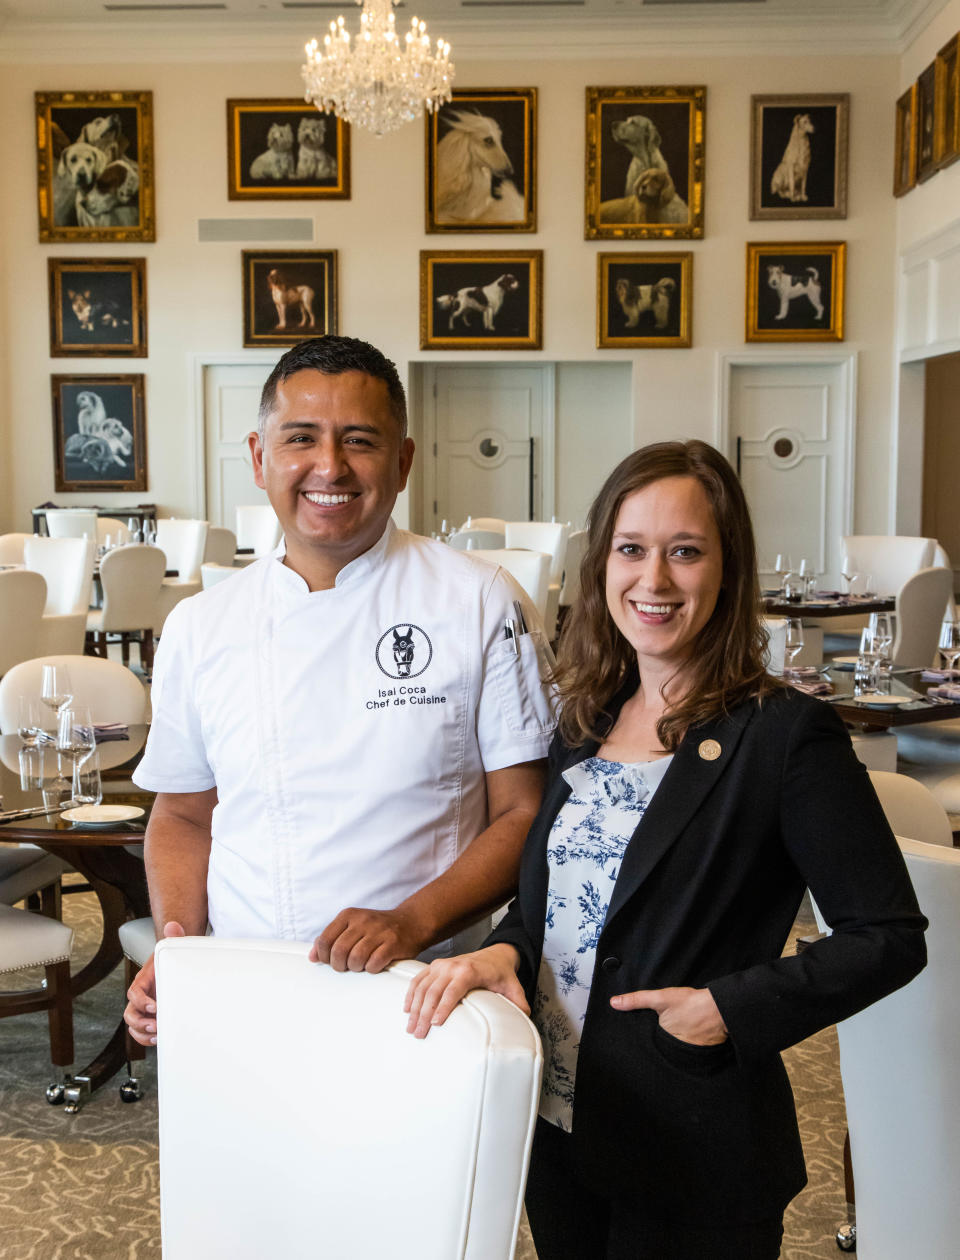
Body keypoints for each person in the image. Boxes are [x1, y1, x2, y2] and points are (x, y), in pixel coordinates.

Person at [403, 440, 927, 1260]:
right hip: (560, 1121)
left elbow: (889, 938)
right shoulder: (583, 724)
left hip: (694, 1142)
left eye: (685, 552)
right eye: (632, 549)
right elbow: (555, 906)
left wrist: (725, 1011)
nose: (654, 581)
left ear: (728, 569)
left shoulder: (784, 736)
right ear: (601, 564)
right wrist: (504, 952)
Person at [124, 335, 555, 1048]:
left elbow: (522, 812)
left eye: (360, 441)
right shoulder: (201, 625)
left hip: (422, 994)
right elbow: (183, 816)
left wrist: (412, 921)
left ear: (403, 462)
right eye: (301, 438)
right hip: (245, 988)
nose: (330, 467)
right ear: (261, 458)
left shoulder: (479, 600)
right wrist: (177, 947)